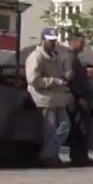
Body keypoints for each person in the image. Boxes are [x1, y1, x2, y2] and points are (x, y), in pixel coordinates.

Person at [25, 28, 72, 167]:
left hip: (57, 98)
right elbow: (33, 80)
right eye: (50, 41)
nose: (53, 43)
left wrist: (64, 81)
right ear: (43, 40)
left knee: (64, 127)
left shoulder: (55, 57)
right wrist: (55, 81)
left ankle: (49, 153)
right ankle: (50, 156)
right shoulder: (36, 56)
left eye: (54, 40)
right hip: (44, 99)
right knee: (50, 130)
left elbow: (59, 75)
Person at [64, 33, 93, 165]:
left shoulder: (76, 58)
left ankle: (81, 155)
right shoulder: (70, 58)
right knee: (78, 128)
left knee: (82, 128)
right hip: (77, 100)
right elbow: (71, 80)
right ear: (73, 42)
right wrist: (79, 97)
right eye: (81, 42)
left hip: (81, 99)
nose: (83, 45)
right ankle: (78, 156)